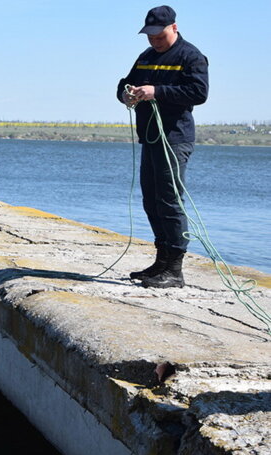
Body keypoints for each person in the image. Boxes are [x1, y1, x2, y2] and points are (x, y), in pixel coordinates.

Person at [116, 5, 208, 289]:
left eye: (159, 35)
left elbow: (199, 92)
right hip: (150, 137)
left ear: (174, 28)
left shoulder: (190, 56)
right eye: (150, 36)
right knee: (151, 200)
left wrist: (157, 91)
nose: (154, 41)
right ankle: (161, 262)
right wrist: (126, 94)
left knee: (170, 201)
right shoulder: (145, 57)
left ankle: (175, 270)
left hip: (174, 139)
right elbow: (125, 82)